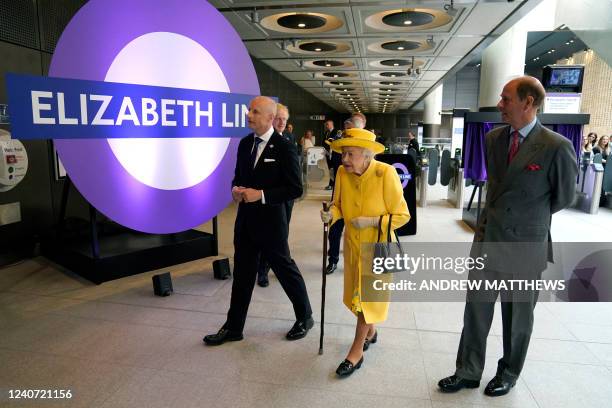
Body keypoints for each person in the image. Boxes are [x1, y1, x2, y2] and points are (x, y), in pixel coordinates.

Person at [438, 76, 578, 397]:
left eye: (506, 99)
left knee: (517, 319)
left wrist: (529, 221)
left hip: (525, 246)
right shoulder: (493, 139)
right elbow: (497, 188)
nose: (500, 105)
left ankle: (509, 372)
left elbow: (563, 197)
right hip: (488, 240)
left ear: (528, 103)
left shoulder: (557, 146)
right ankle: (468, 370)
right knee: (476, 311)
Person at [203, 96, 314, 346]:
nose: (248, 115)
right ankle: (233, 327)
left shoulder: (284, 146)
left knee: (285, 271)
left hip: (272, 224)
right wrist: (235, 189)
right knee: (242, 274)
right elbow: (237, 177)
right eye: (249, 110)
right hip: (245, 222)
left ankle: (305, 317)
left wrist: (261, 195)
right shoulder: (244, 144)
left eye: (255, 111)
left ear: (269, 118)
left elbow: (295, 188)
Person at [320, 128, 410, 377]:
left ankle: (355, 352)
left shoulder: (385, 173)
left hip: (380, 247)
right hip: (353, 246)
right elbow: (337, 204)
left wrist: (371, 221)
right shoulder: (341, 172)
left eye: (350, 154)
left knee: (366, 302)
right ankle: (370, 332)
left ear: (367, 156)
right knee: (356, 299)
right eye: (343, 154)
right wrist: (331, 214)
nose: (344, 159)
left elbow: (403, 216)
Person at [257, 104, 295, 287]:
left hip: (286, 199)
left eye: (284, 119)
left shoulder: (288, 139)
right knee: (268, 235)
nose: (281, 122)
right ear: (271, 118)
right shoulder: (261, 142)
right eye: (278, 118)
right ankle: (262, 270)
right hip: (267, 199)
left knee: (282, 234)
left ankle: (275, 266)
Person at [326, 113, 365, 275]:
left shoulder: (369, 147)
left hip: (362, 200)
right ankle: (333, 260)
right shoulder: (341, 144)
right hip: (341, 197)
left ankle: (361, 263)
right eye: (348, 130)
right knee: (334, 230)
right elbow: (337, 163)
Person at [322, 119, 339, 190]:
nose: (326, 126)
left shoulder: (336, 132)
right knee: (330, 169)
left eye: (327, 124)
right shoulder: (326, 132)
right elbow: (324, 141)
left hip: (334, 154)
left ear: (332, 124)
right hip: (327, 153)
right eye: (326, 124)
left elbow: (336, 142)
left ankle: (332, 184)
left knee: (333, 169)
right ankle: (331, 184)